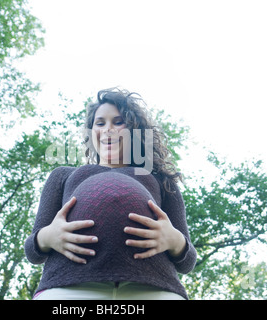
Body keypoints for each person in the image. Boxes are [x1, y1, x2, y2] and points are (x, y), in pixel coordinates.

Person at [24, 88, 197, 300]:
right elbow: (32, 251)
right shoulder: (62, 176)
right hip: (70, 288)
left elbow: (187, 262)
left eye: (118, 122)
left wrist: (175, 241)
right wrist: (47, 237)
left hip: (152, 290)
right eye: (100, 123)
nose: (108, 129)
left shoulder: (162, 181)